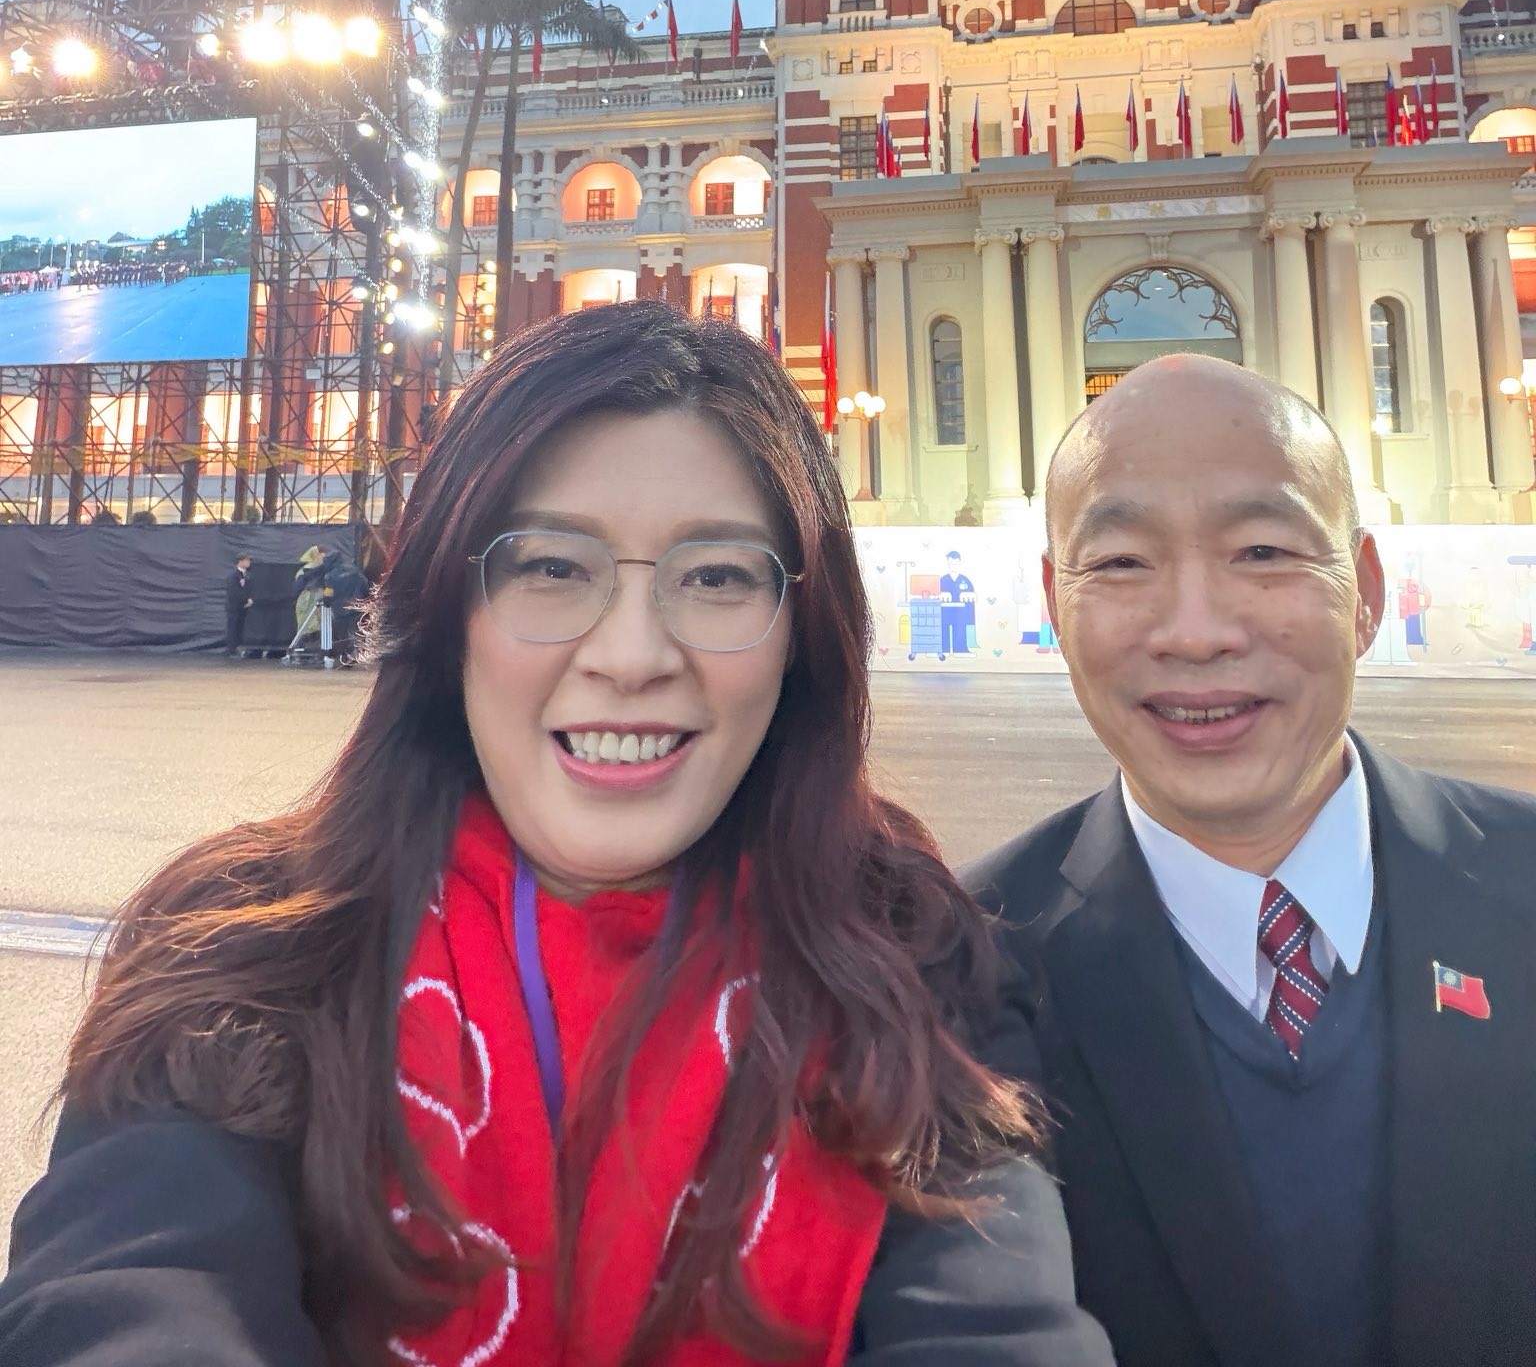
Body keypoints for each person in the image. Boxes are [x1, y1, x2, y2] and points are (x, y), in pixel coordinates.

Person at [1, 301, 1110, 1367]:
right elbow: (132, 1298)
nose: (631, 655)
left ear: (803, 635)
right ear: (449, 612)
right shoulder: (239, 953)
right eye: (550, 567)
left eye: (716, 576)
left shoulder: (918, 966)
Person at [968, 355, 1536, 1367]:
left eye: (1264, 550)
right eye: (1123, 562)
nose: (1196, 633)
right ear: (1056, 602)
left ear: (1365, 592)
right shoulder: (957, 970)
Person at [223, 553, 253, 659]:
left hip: (243, 607)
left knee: (240, 628)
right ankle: (231, 650)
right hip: (234, 607)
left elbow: (248, 588)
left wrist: (249, 599)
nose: (249, 562)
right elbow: (234, 592)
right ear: (240, 561)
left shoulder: (247, 575)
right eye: (246, 560)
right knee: (233, 628)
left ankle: (238, 648)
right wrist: (245, 599)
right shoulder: (233, 576)